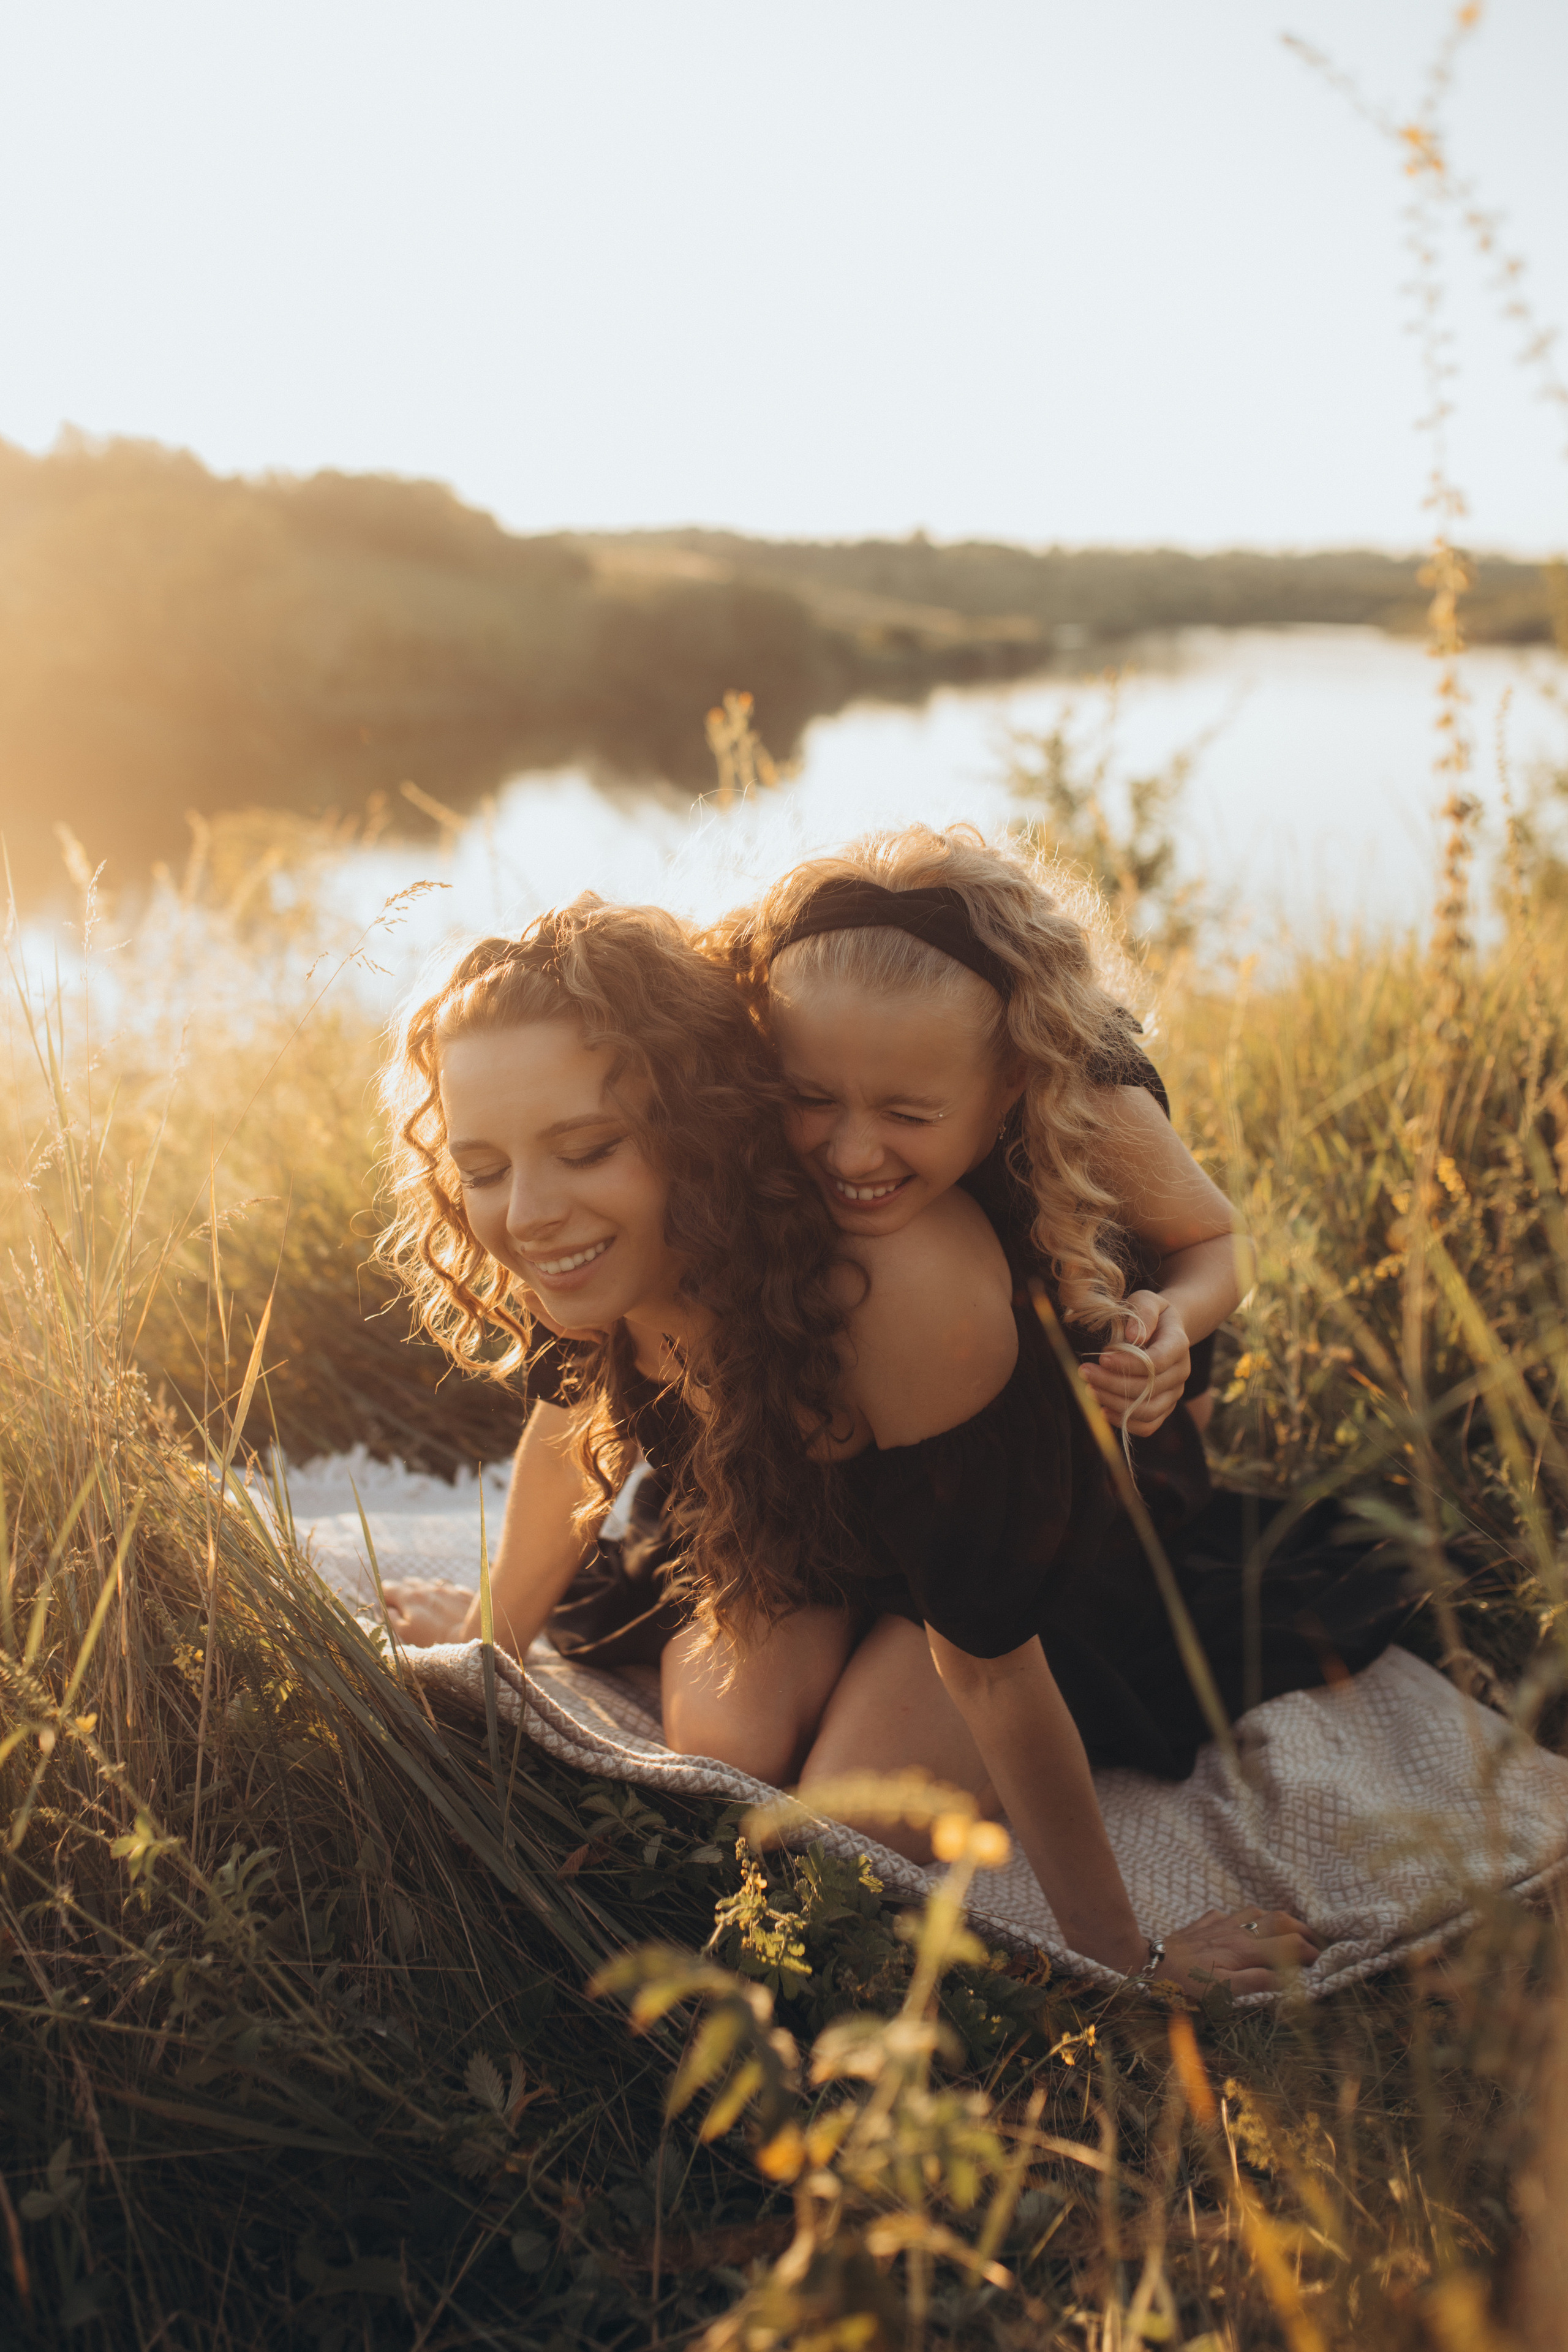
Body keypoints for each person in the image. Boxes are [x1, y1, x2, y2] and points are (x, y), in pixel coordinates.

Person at [377, 895, 1327, 1997]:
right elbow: (567, 1421)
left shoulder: (895, 1284)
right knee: (726, 1762)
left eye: (585, 1148)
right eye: (483, 1167)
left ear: (703, 1125)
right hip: (795, 1530)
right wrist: (499, 1635)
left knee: (824, 1848)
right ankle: (744, 1639)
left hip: (1001, 1567)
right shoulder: (582, 1231)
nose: (529, 1212)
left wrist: (1126, 1958)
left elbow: (993, 1665)